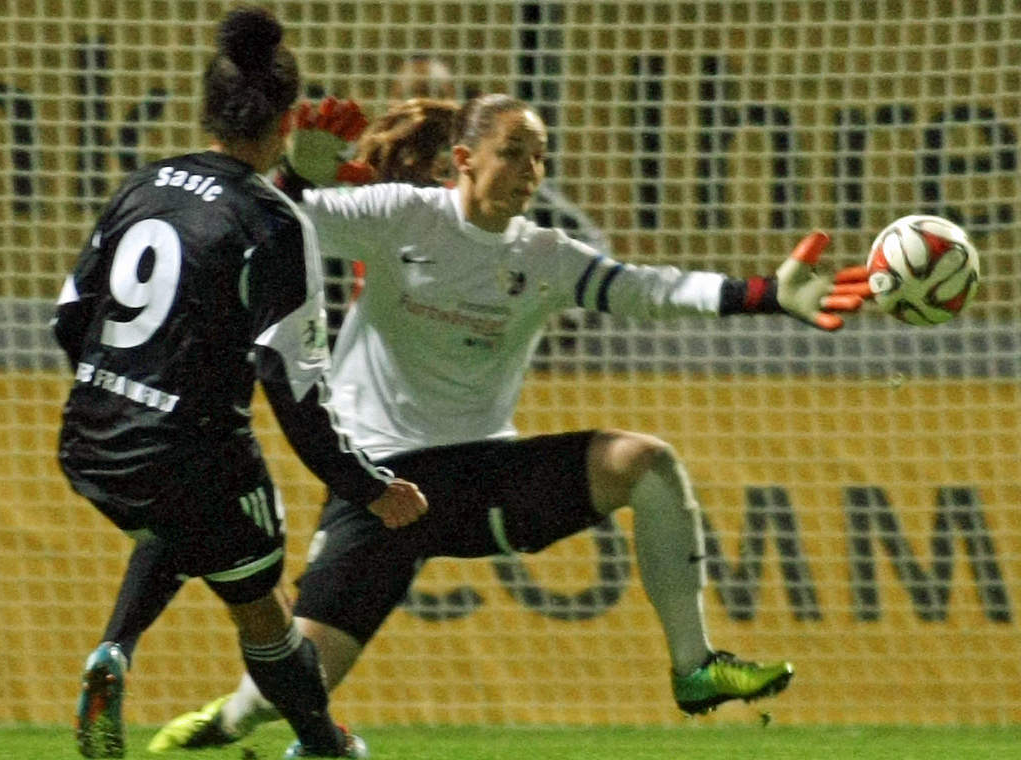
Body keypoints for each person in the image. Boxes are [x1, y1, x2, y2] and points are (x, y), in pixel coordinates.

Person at [144, 93, 872, 752]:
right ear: (466, 159)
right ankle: (227, 723)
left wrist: (766, 295)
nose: (531, 168)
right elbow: (277, 229)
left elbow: (651, 290)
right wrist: (295, 182)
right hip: (379, 482)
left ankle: (696, 666)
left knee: (646, 463)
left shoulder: (544, 257)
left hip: (479, 474)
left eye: (540, 155)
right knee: (291, 686)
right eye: (514, 151)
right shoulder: (401, 215)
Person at [51, 8, 427, 759]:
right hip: (189, 450)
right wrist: (366, 485)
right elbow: (293, 388)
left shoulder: (146, 183)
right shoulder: (279, 225)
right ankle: (325, 744)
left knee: (181, 518)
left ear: (206, 108)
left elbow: (69, 317)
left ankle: (114, 652)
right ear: (288, 119)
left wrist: (124, 391)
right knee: (265, 614)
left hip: (89, 438)